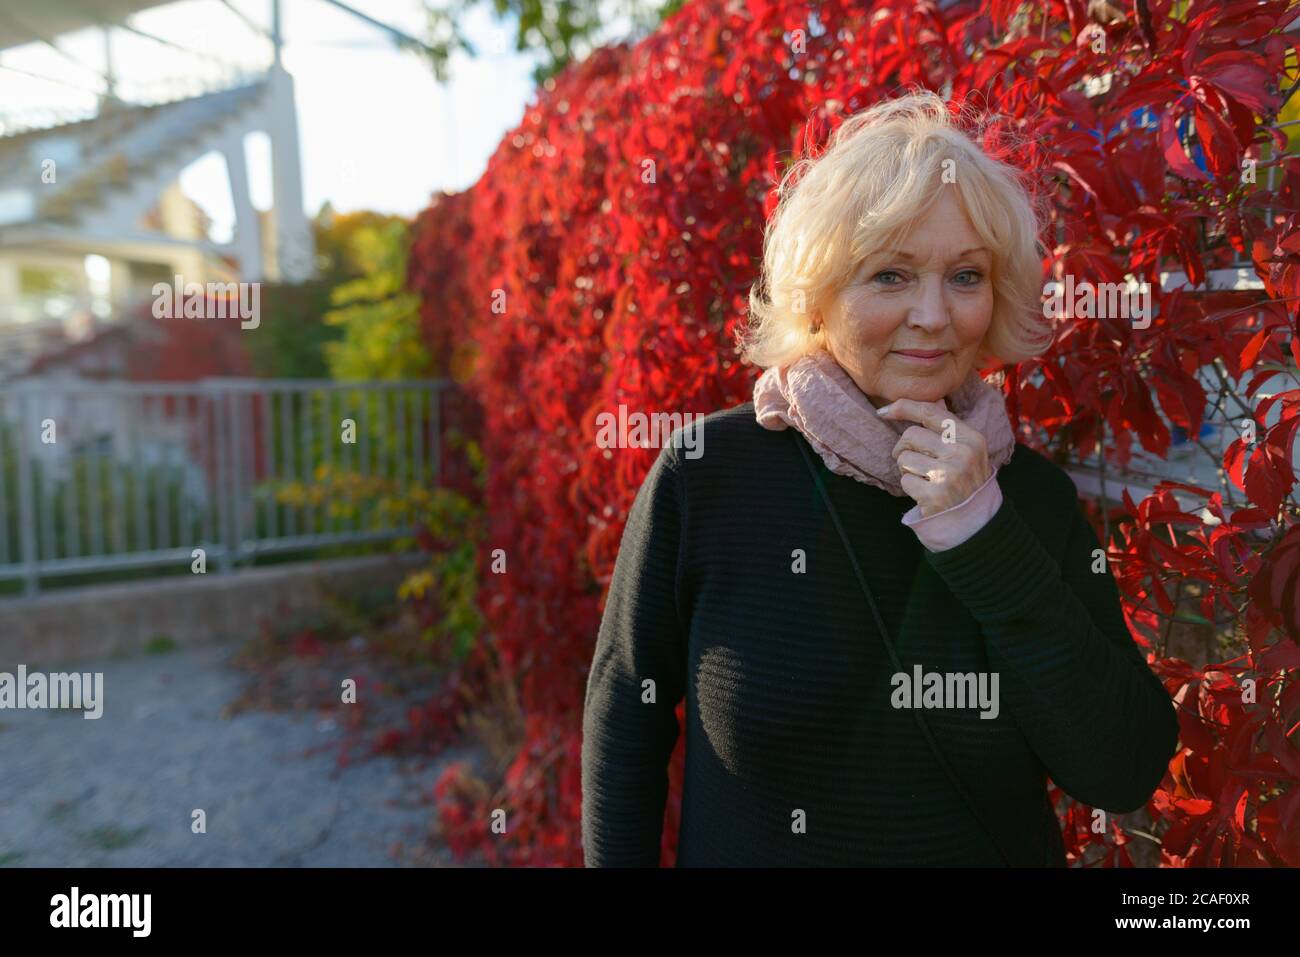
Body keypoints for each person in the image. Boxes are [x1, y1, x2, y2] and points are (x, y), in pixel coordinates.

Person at [580, 91, 1180, 867]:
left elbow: (1122, 767)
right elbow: (625, 720)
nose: (932, 314)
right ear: (819, 297)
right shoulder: (709, 478)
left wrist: (983, 535)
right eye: (890, 274)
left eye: (966, 276)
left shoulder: (1032, 500)